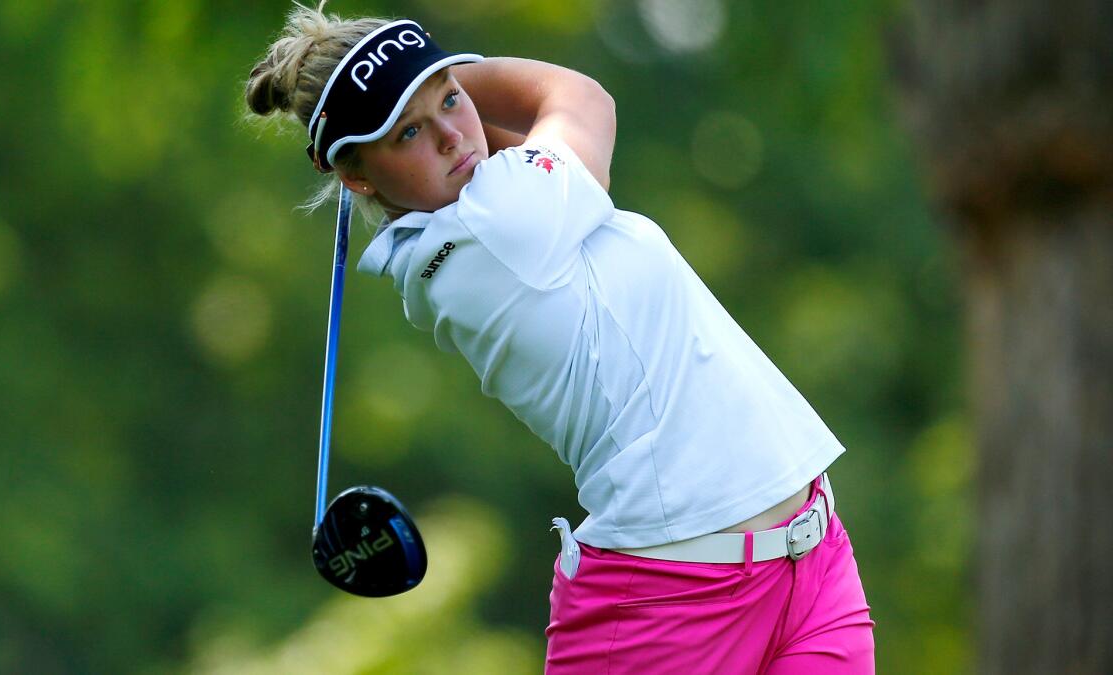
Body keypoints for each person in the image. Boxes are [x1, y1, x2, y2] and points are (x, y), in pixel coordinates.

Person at [245, 3, 875, 672]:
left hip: (811, 559)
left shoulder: (488, 205)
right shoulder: (494, 227)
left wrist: (416, 84)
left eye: (451, 101)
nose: (452, 137)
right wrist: (441, 74)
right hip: (666, 609)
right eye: (408, 133)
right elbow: (579, 97)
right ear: (356, 177)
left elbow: (501, 142)